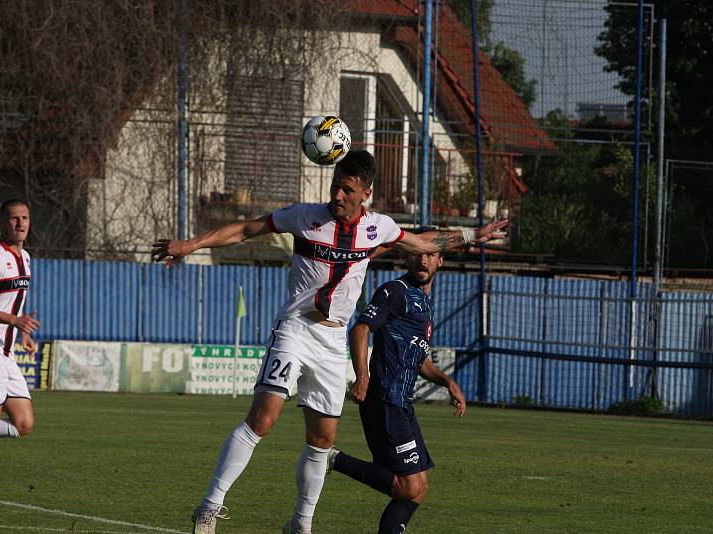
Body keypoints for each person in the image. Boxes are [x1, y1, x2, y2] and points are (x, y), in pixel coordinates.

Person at [151, 149, 506, 534]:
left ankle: (300, 525)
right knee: (263, 419)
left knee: (322, 439)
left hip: (332, 341)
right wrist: (189, 245)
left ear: (365, 194)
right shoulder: (305, 216)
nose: (337, 196)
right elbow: (245, 229)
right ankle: (209, 507)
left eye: (347, 190)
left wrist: (472, 235)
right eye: (336, 186)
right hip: (295, 329)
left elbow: (422, 243)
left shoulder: (378, 228)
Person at [327, 245, 465, 534]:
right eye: (417, 253)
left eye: (429, 255)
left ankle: (331, 459)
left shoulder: (425, 304)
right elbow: (360, 330)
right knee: (408, 486)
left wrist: (446, 380)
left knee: (419, 487)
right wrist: (362, 376)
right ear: (407, 257)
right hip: (384, 398)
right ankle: (330, 458)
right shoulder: (396, 291)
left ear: (441, 260)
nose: (422, 259)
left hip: (402, 402)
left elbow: (419, 359)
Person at [0, 199, 39, 441]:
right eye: (14, 218)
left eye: (25, 218)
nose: (20, 223)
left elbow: (11, 304)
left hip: (6, 351)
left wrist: (24, 331)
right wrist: (14, 321)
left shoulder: (26, 257)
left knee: (23, 423)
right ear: (2, 223)